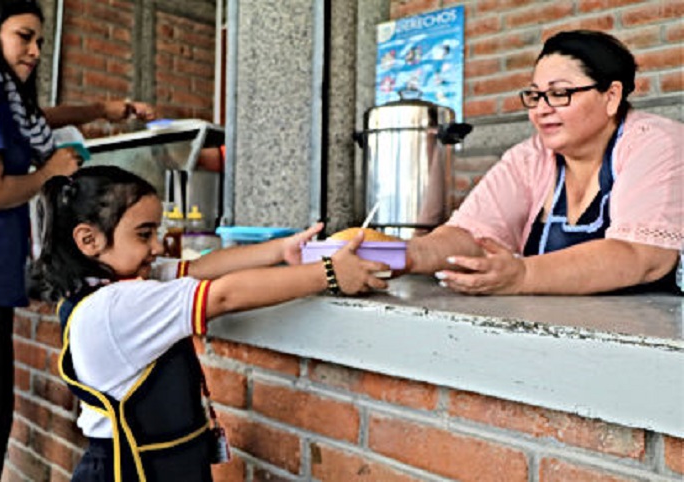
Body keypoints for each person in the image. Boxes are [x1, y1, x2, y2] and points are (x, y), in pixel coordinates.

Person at [37, 165, 387, 481]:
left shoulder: (104, 289)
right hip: (134, 468)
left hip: (150, 460)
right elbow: (223, 295)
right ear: (89, 240)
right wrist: (327, 274)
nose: (158, 246)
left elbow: (201, 268)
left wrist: (280, 251)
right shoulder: (121, 304)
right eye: (144, 234)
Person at [0, 0, 154, 479]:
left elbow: (36, 116)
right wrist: (49, 172)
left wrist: (104, 110)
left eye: (40, 41)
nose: (35, 51)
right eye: (24, 36)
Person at [406, 30, 683, 295]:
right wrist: (401, 256)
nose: (541, 109)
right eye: (535, 95)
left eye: (559, 93)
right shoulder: (530, 158)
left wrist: (523, 275)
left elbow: (643, 255)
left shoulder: (658, 143)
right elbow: (470, 235)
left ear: (611, 96)